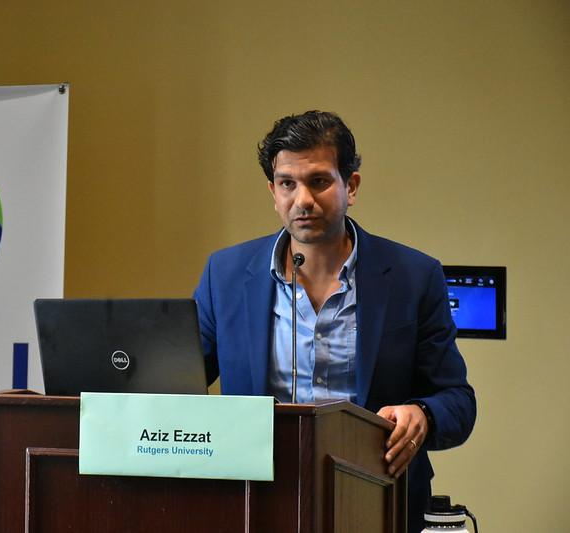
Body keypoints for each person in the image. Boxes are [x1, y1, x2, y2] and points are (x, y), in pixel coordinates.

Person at [193, 110, 476, 533]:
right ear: (273, 191)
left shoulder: (414, 276)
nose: (302, 199)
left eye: (319, 181)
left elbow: (458, 401)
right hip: (256, 500)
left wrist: (423, 414)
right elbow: (179, 380)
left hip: (377, 499)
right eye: (288, 183)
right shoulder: (227, 274)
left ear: (352, 186)